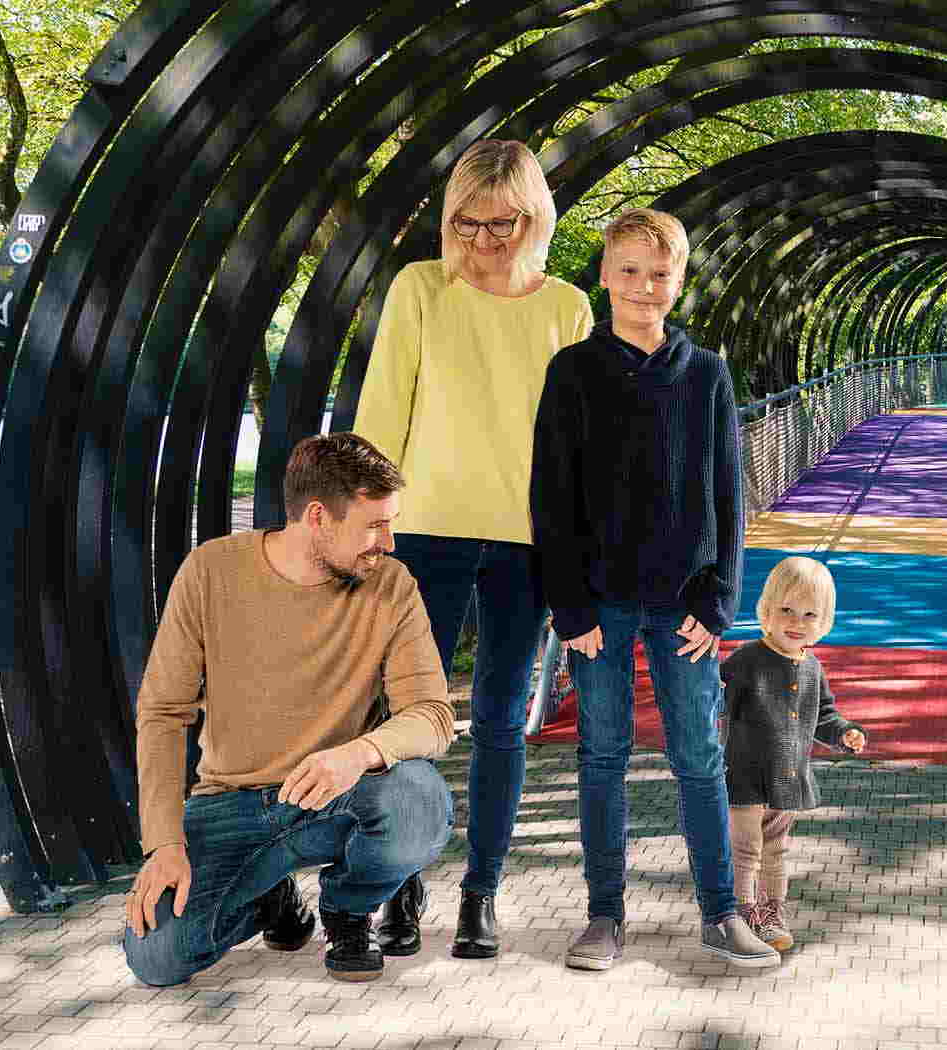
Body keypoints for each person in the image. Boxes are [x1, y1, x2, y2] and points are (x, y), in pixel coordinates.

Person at [354, 139, 594, 959]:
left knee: (498, 722)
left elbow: (580, 447)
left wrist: (581, 549)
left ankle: (480, 893)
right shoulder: (420, 289)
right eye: (469, 222)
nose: (487, 240)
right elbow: (383, 412)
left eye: (505, 223)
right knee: (406, 717)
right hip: (422, 533)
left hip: (528, 543)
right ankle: (397, 884)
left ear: (535, 218)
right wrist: (369, 530)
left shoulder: (568, 306)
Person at [529, 207, 778, 971]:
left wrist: (719, 600)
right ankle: (604, 915)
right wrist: (567, 605)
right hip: (599, 604)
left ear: (680, 282)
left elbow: (730, 494)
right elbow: (550, 493)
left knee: (698, 757)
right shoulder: (572, 372)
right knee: (601, 754)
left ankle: (720, 912)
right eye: (629, 271)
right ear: (603, 276)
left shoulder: (705, 374)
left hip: (683, 606)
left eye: (660, 274)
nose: (644, 287)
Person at [122, 433, 455, 985]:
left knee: (417, 802)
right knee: (156, 957)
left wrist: (359, 754)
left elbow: (433, 716)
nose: (389, 542)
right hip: (233, 803)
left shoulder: (392, 586)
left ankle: (349, 907)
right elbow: (162, 713)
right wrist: (164, 842)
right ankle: (268, 900)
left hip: (342, 798)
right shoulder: (210, 572)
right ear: (318, 517)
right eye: (374, 525)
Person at [720, 555, 867, 953]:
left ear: (823, 623)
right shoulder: (747, 661)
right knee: (746, 849)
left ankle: (771, 911)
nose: (796, 623)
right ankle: (740, 910)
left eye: (809, 615)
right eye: (786, 610)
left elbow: (824, 716)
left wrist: (844, 733)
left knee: (776, 850)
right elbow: (715, 703)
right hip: (746, 778)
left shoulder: (812, 667)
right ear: (767, 609)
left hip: (788, 781)